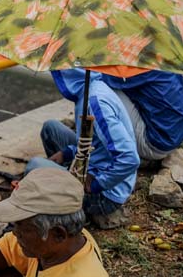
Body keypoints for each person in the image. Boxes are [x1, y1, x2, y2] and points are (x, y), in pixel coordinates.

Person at [30, 69, 139, 227]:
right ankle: (65, 183)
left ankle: (70, 212)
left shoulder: (96, 102)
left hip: (105, 196)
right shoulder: (90, 88)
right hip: (93, 166)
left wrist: (96, 184)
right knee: (51, 128)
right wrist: (67, 153)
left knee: (35, 166)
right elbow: (93, 143)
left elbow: (130, 159)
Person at [101, 71, 183, 161]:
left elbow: (105, 77)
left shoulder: (146, 68)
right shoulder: (170, 66)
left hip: (153, 143)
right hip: (172, 138)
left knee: (98, 87)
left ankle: (104, 153)